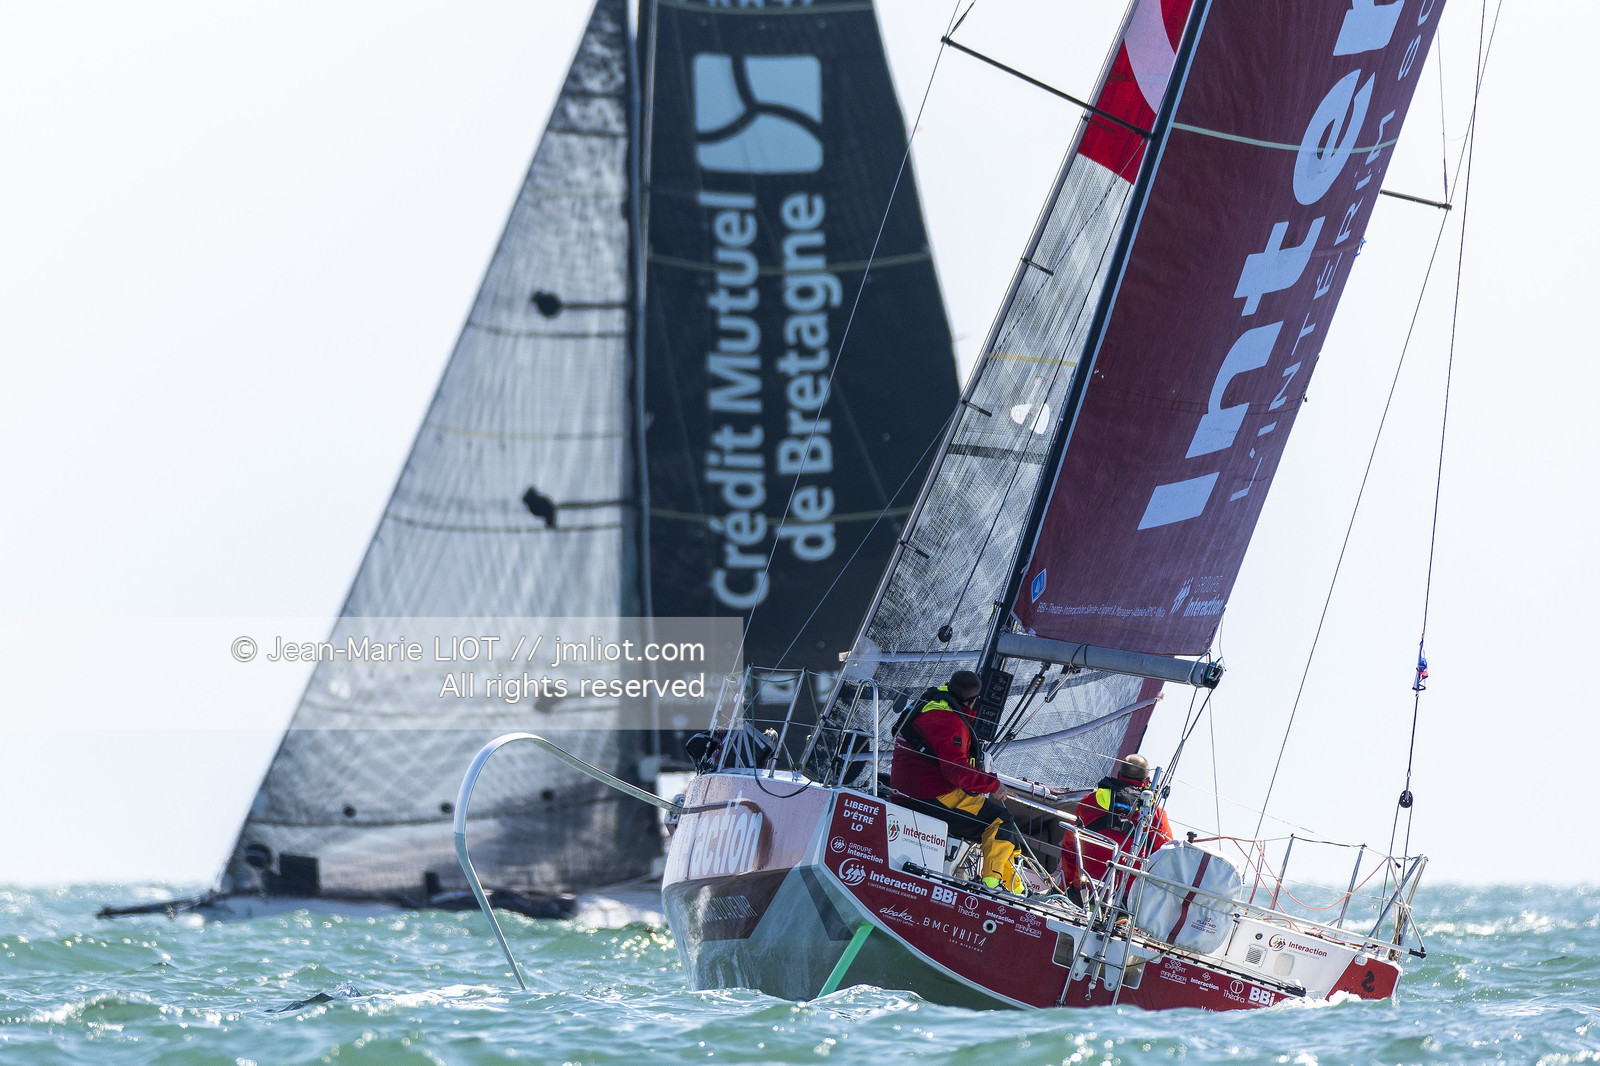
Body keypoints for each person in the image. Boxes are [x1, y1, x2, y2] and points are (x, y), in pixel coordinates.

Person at [888, 670, 1026, 893]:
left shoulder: (929, 702)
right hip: (930, 794)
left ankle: (1016, 889)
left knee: (1004, 833)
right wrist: (994, 785)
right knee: (1001, 820)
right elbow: (956, 772)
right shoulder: (951, 722)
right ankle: (992, 886)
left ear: (948, 685)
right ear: (973, 700)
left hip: (907, 788)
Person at [1059, 753, 1173, 899]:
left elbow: (1070, 846)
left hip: (1083, 892)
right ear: (1147, 781)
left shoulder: (1091, 800)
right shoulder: (1156, 814)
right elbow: (1166, 859)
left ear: (1119, 775)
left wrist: (1062, 886)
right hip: (1125, 902)